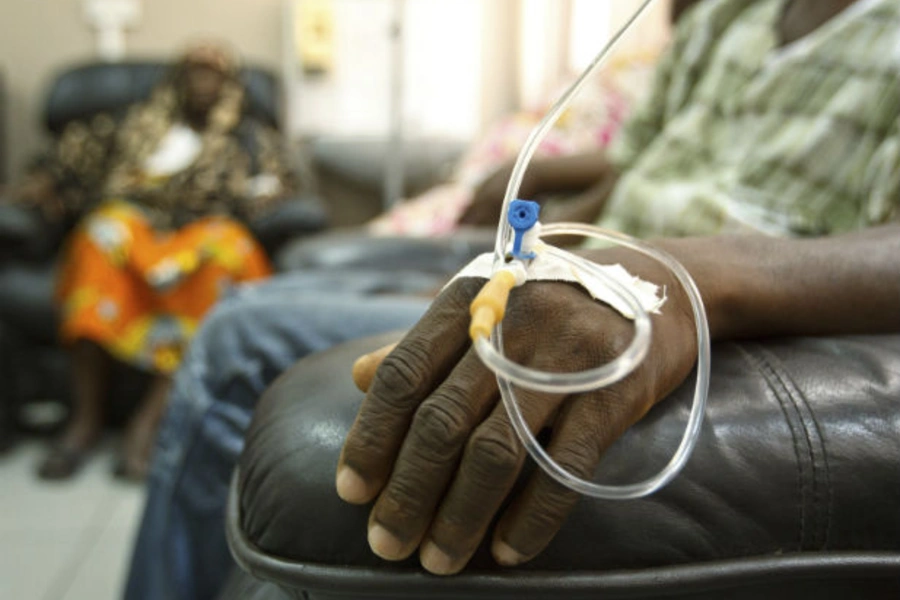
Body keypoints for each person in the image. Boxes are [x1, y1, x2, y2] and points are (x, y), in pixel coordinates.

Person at [125, 0, 900, 597]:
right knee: (267, 291)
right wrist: (517, 223)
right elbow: (632, 170)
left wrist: (664, 276)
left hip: (665, 306)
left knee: (237, 335)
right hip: (556, 275)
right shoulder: (727, 17)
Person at [4, 43, 300, 480]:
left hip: (201, 230)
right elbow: (64, 162)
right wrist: (43, 185)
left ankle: (146, 426)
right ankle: (84, 421)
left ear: (231, 83)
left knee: (228, 251)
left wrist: (268, 193)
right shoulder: (133, 125)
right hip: (134, 222)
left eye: (213, 72)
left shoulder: (250, 137)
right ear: (177, 77)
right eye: (194, 70)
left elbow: (280, 187)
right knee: (99, 235)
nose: (203, 81)